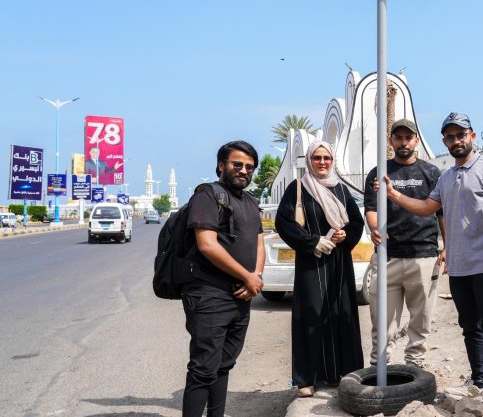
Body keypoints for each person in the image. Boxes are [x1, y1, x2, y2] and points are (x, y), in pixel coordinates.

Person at [383, 113, 483, 409]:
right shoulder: (446, 177)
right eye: (450, 137)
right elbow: (427, 207)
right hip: (459, 267)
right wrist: (393, 195)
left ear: (472, 136)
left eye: (460, 135)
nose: (456, 141)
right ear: (445, 142)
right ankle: (478, 382)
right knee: (470, 328)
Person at [181, 140, 265, 417]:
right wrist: (247, 277)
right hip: (209, 295)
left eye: (249, 167)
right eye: (237, 164)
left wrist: (255, 277)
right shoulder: (207, 195)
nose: (243, 171)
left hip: (241, 296)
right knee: (203, 368)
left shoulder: (251, 202)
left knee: (223, 365)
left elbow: (259, 243)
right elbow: (207, 245)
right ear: (221, 165)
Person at [275, 141, 365, 397]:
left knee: (340, 314)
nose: (322, 162)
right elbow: (284, 222)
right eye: (317, 157)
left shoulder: (341, 189)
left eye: (327, 158)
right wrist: (312, 241)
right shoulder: (299, 187)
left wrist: (345, 234)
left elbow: (356, 222)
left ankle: (341, 373)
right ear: (309, 161)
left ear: (332, 160)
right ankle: (307, 379)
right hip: (312, 261)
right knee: (311, 315)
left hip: (339, 263)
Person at [363, 118, 444, 368]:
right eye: (398, 138)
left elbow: (442, 213)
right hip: (388, 256)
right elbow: (371, 209)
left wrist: (448, 248)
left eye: (408, 137)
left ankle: (414, 366)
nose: (403, 142)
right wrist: (375, 228)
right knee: (382, 321)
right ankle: (379, 368)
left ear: (416, 140)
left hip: (423, 255)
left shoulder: (431, 173)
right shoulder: (379, 172)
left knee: (421, 319)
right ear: (391, 141)